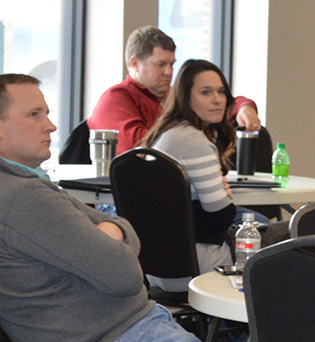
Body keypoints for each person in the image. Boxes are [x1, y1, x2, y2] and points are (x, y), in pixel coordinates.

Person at [0, 73, 198, 341]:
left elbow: (123, 226)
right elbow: (127, 277)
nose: (51, 126)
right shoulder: (22, 197)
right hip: (125, 331)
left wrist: (109, 234)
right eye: (34, 114)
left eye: (46, 113)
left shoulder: (25, 184)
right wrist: (107, 235)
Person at [136, 60, 270, 291]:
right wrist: (223, 196)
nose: (217, 100)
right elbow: (222, 216)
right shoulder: (194, 141)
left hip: (157, 268)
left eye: (221, 92)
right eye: (206, 93)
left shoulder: (167, 134)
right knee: (287, 240)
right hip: (199, 265)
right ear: (186, 98)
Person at [89, 26, 262, 155]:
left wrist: (245, 107)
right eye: (160, 64)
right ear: (134, 63)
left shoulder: (173, 94)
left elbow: (222, 103)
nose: (169, 72)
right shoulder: (116, 99)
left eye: (172, 64)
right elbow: (145, 148)